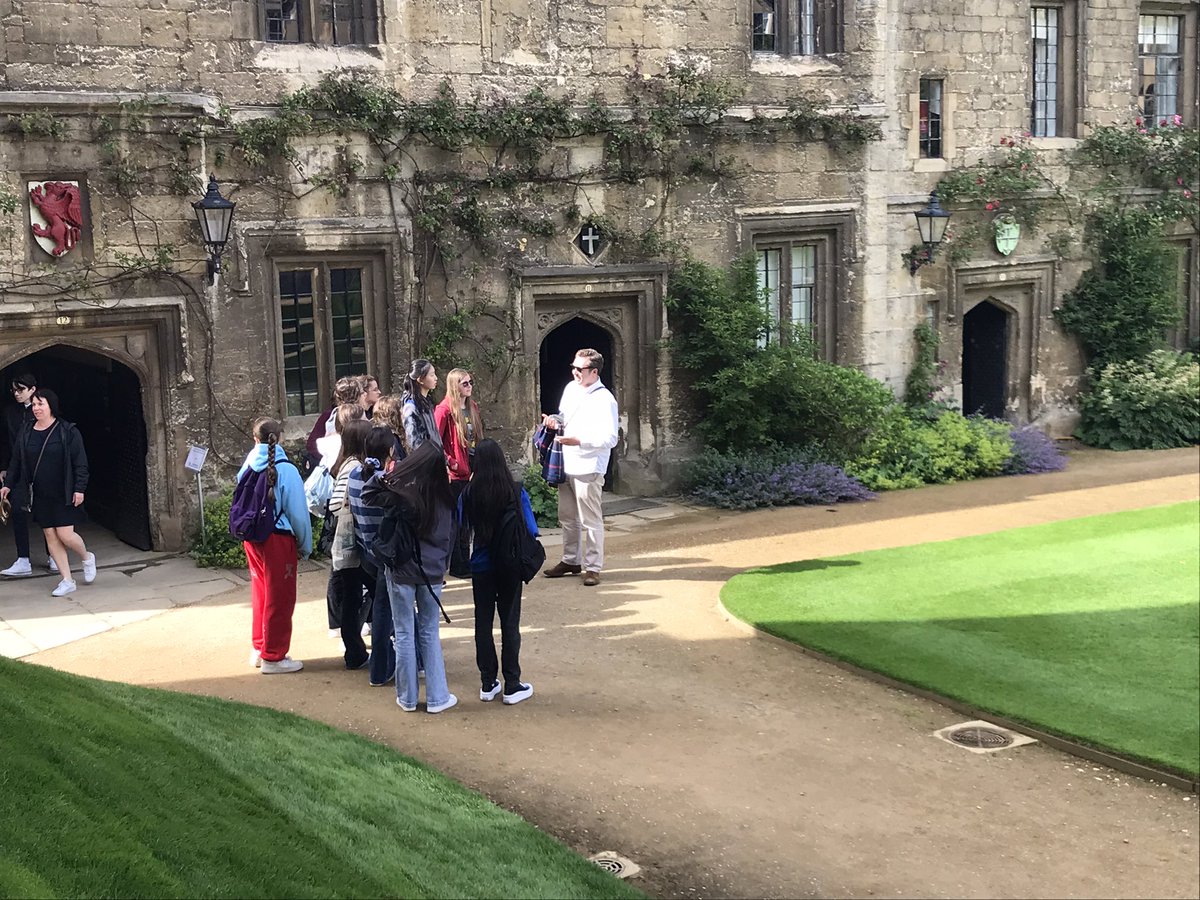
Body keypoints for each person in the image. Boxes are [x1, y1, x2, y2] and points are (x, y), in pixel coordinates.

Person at [382, 441, 457, 713]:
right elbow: (450, 540)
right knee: (429, 632)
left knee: (404, 633)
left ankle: (407, 698)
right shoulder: (446, 501)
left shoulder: (403, 495)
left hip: (402, 572)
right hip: (432, 573)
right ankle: (438, 697)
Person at [0, 388, 95, 597]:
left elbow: (80, 462)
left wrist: (79, 488)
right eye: (34, 404)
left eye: (40, 404)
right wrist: (8, 484)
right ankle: (67, 580)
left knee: (66, 535)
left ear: (51, 406)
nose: (36, 408)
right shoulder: (26, 431)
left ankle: (87, 557)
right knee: (50, 535)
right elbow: (16, 460)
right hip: (39, 492)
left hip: (63, 491)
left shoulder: (67, 431)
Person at [464, 438, 537, 705]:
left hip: (481, 566)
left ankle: (487, 682)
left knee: (483, 623)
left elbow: (461, 524)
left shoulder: (469, 492)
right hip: (509, 564)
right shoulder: (514, 490)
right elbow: (531, 528)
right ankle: (512, 683)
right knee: (510, 623)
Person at [237, 417, 312, 674]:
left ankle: (260, 648)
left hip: (253, 537)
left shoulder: (249, 463)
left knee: (261, 593)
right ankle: (274, 656)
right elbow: (298, 514)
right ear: (279, 438)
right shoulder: (286, 470)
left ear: (254, 438)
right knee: (280, 597)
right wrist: (305, 545)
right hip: (277, 539)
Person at [541, 348, 618, 587]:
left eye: (579, 368)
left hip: (589, 464)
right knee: (567, 516)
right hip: (566, 461)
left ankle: (593, 567)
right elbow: (565, 418)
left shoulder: (605, 399)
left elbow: (611, 438)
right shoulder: (571, 389)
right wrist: (553, 421)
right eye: (573, 367)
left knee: (590, 519)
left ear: (594, 372)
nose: (574, 372)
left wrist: (579, 441)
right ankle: (570, 560)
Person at [348, 426, 400, 687]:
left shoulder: (354, 475)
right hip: (385, 553)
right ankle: (380, 670)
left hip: (367, 550)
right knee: (385, 609)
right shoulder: (386, 481)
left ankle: (415, 658)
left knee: (394, 605)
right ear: (390, 450)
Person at [327, 418, 372, 669]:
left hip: (354, 543)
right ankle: (354, 652)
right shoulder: (353, 466)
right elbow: (336, 504)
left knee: (355, 597)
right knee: (355, 597)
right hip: (352, 543)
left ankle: (355, 652)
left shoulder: (350, 463)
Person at [1, 373, 54, 578]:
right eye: (14, 390)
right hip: (18, 468)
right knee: (17, 512)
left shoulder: (43, 410)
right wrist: (4, 466)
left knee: (46, 512)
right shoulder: (10, 412)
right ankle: (23, 559)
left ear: (32, 390)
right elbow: (6, 440)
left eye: (21, 389)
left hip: (41, 467)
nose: (16, 394)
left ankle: (53, 555)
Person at [435, 368, 483, 578]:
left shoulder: (472, 407)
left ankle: (466, 560)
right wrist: (450, 463)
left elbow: (477, 438)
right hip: (456, 473)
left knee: (468, 519)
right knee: (456, 520)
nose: (469, 386)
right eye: (465, 383)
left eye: (470, 382)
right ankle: (457, 564)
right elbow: (435, 441)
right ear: (455, 386)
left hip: (472, 467)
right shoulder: (444, 410)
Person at [305, 376, 365, 471]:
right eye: (362, 392)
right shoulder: (331, 416)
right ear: (356, 396)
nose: (365, 395)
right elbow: (312, 445)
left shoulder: (361, 414)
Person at [401, 359, 442, 452]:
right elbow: (414, 442)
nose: (436, 378)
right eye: (432, 375)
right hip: (424, 457)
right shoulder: (410, 407)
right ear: (420, 380)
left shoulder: (427, 402)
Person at [372, 394, 409, 464]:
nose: (404, 416)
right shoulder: (391, 438)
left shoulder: (375, 435)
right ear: (394, 415)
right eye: (401, 413)